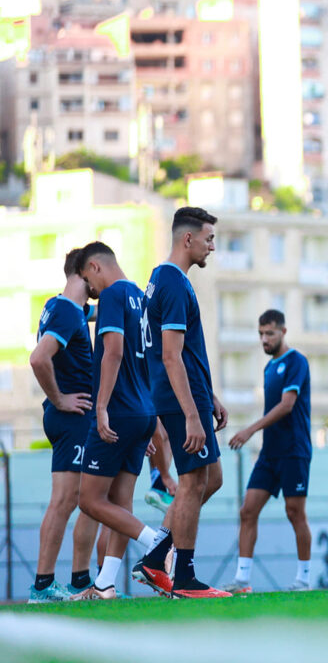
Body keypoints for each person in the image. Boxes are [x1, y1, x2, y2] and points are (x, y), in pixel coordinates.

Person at [134, 206, 230, 598]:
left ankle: (156, 556)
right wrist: (192, 414)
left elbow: (184, 352)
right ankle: (185, 578)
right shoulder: (173, 283)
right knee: (193, 483)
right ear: (187, 239)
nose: (212, 246)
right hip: (178, 399)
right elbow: (170, 356)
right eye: (208, 238)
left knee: (212, 478)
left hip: (187, 394)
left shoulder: (164, 278)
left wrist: (210, 396)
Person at [71, 242, 155, 600]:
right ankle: (105, 584)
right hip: (142, 412)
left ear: (95, 266)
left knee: (89, 500)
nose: (90, 289)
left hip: (117, 411)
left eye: (88, 279)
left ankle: (159, 544)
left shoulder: (113, 297)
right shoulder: (139, 296)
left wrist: (101, 407)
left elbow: (114, 351)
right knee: (120, 504)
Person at [28, 248, 100, 603]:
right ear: (84, 272)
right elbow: (39, 358)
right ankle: (42, 586)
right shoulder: (67, 312)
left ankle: (79, 581)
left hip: (75, 419)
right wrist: (59, 399)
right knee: (65, 500)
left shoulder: (66, 308)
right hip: (70, 418)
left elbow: (95, 312)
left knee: (87, 499)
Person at [223, 310, 313, 592]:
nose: (264, 339)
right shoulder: (267, 368)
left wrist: (250, 429)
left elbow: (287, 405)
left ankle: (304, 579)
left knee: (294, 512)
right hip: (269, 454)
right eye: (261, 334)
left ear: (283, 332)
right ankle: (242, 580)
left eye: (270, 333)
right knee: (247, 511)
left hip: (294, 450)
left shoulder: (297, 361)